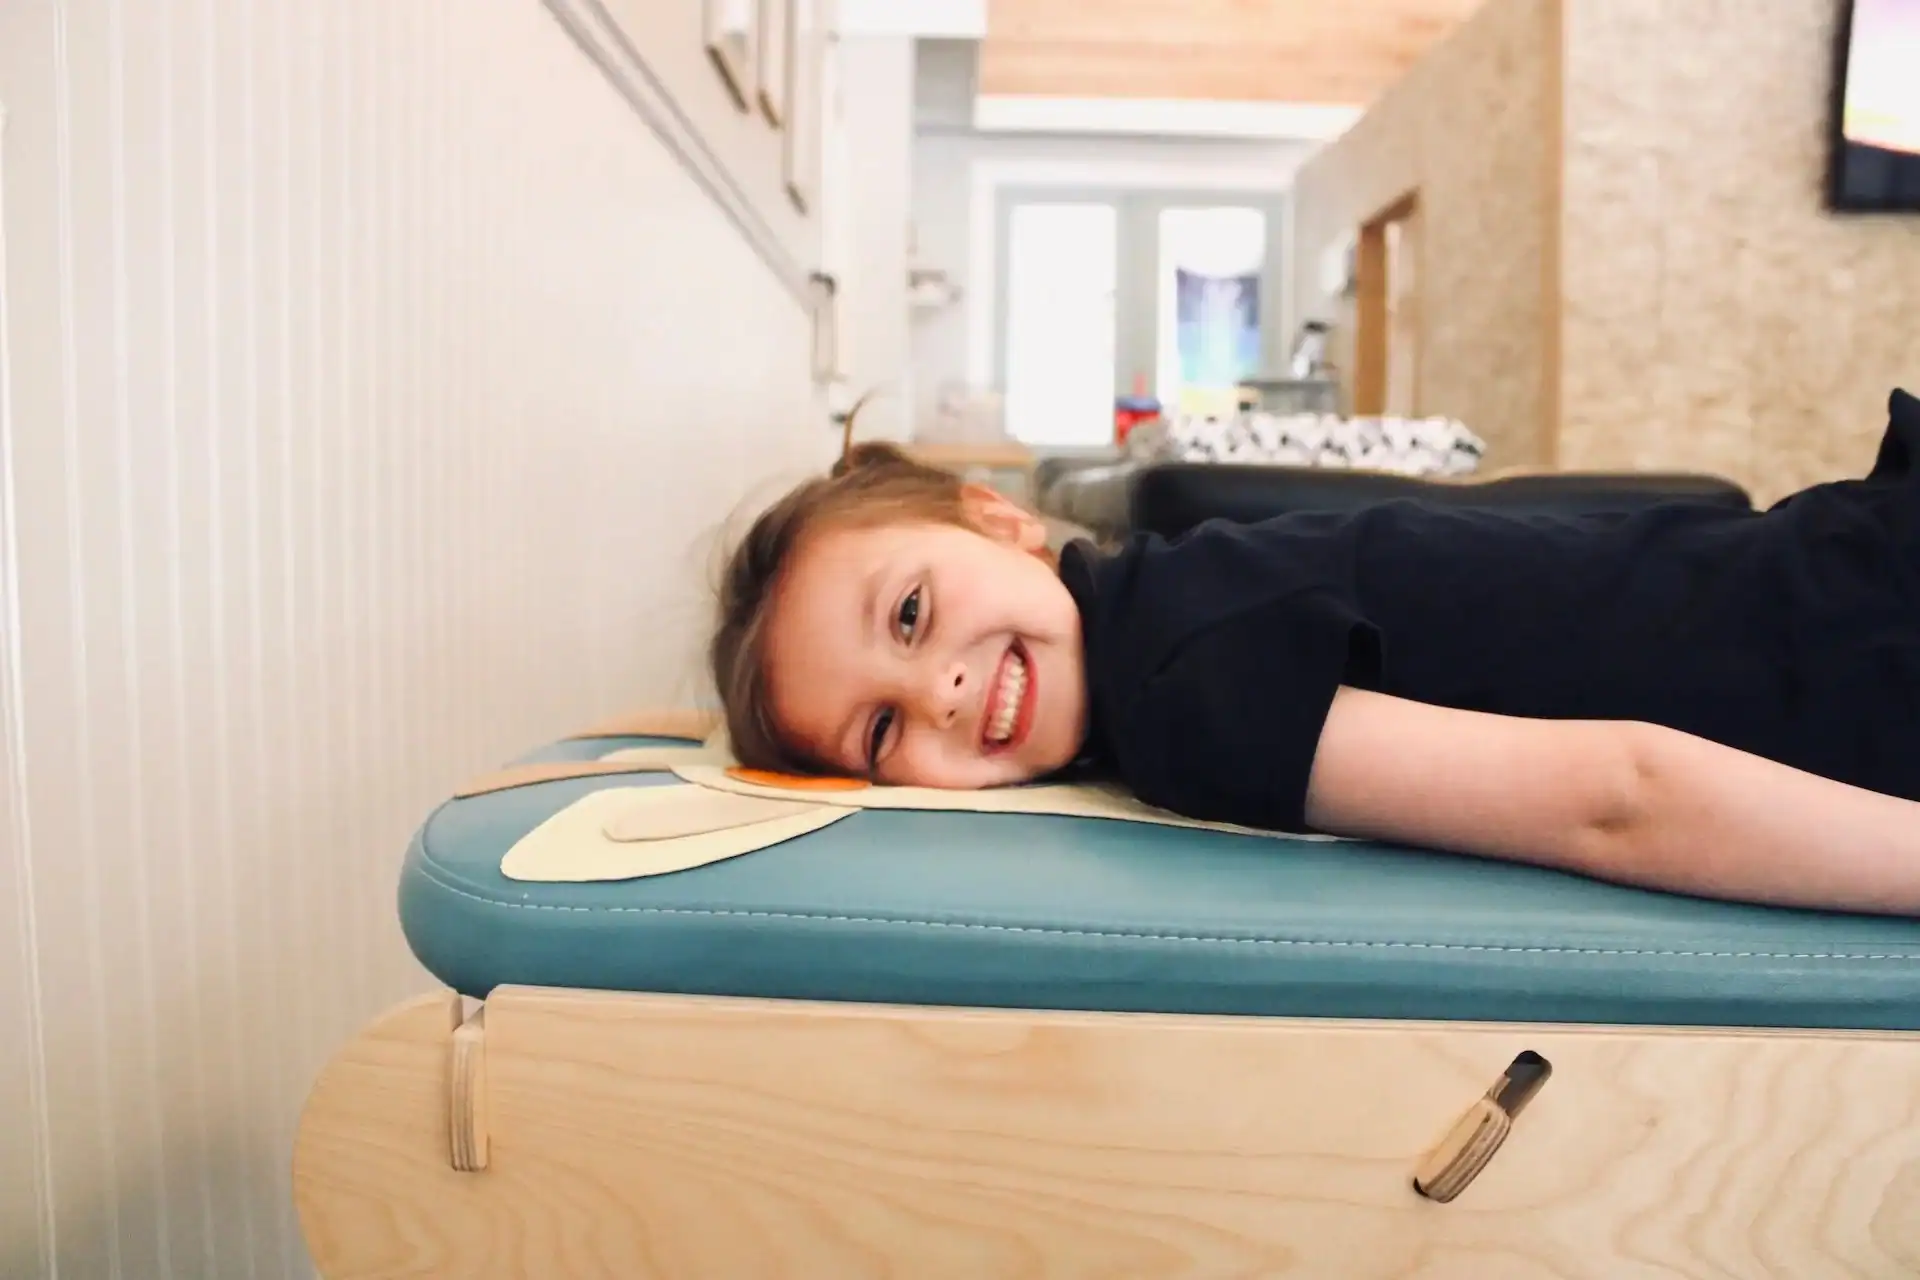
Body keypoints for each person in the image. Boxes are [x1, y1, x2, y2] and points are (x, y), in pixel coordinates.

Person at [709, 389, 1920, 918]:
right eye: (881, 734)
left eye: (910, 615)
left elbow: (1619, 797)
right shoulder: (1180, 585)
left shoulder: (1180, 680)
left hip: (1866, 636)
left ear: (997, 517)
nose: (942, 693)